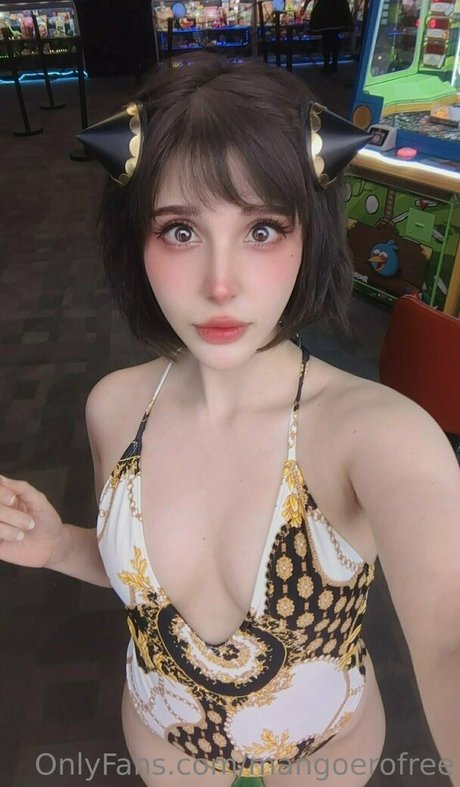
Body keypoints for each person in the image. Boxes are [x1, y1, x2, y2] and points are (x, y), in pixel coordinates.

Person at [0, 52, 459, 787]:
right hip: (165, 748)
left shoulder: (378, 435)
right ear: (137, 241)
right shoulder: (113, 407)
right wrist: (58, 546)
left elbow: (447, 641)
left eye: (263, 229)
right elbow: (147, 588)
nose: (221, 284)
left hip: (325, 758)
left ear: (310, 234)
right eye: (181, 231)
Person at [309, 0, 353, 72]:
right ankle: (334, 64)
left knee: (326, 43)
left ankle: (327, 65)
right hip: (337, 18)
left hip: (326, 19)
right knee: (334, 42)